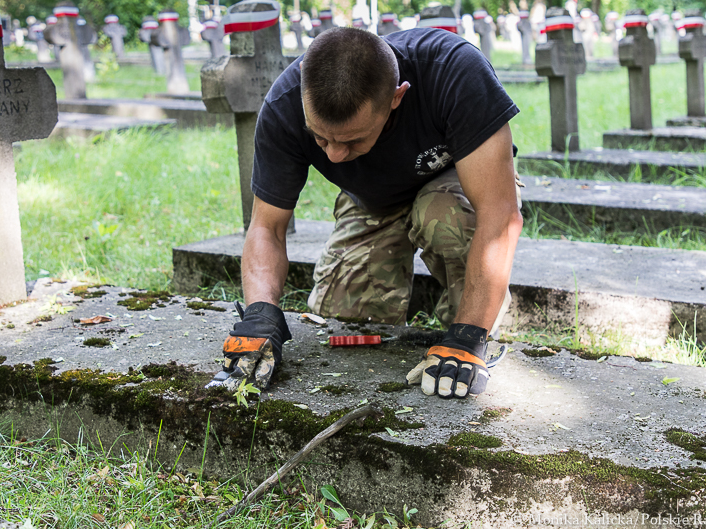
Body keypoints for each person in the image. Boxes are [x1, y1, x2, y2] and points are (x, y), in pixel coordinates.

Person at [209, 25, 523, 400]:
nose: (334, 156)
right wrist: (259, 314)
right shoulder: (284, 105)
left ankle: (468, 331)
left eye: (352, 140)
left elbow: (499, 213)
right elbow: (267, 228)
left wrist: (469, 334)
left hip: (454, 187)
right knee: (347, 321)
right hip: (372, 199)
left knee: (444, 216)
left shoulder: (454, 71)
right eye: (320, 138)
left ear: (396, 97)